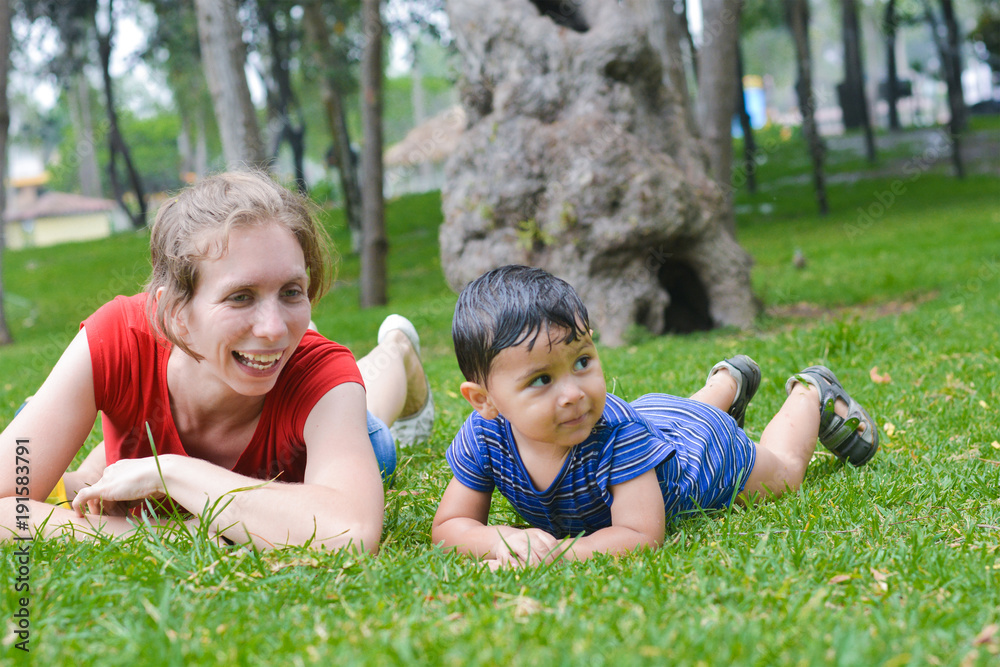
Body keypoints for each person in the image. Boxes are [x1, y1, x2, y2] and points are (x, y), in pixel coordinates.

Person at [1, 171, 434, 552]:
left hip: (314, 431)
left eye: (291, 291)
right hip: (211, 395)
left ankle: (396, 350)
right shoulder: (117, 338)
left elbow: (351, 531)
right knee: (93, 478)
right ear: (173, 314)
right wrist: (164, 535)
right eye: (240, 296)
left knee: (372, 420)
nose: (274, 327)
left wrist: (171, 470)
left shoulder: (320, 375)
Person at [431, 265, 878, 567]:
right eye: (541, 381)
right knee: (685, 418)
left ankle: (809, 393)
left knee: (784, 474)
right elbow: (450, 525)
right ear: (485, 401)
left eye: (582, 362)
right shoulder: (487, 434)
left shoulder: (615, 433)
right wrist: (499, 540)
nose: (574, 394)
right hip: (662, 422)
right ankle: (726, 384)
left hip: (700, 456)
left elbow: (640, 534)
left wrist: (557, 554)